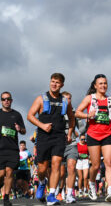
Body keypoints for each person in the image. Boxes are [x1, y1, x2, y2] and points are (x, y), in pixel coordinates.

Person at [27, 73, 75, 205]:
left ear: (62, 85)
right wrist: (42, 125)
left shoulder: (65, 101)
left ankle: (52, 195)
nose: (54, 84)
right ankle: (42, 183)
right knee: (42, 168)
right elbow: (30, 116)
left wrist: (69, 133)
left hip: (59, 136)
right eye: (53, 81)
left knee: (56, 165)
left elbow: (72, 118)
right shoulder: (41, 99)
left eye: (57, 82)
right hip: (43, 136)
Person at [75, 74, 111, 202]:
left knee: (109, 163)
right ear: (95, 85)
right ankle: (92, 184)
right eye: (100, 83)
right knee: (95, 165)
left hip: (108, 134)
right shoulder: (90, 98)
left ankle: (110, 191)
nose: (103, 85)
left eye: (105, 83)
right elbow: (77, 112)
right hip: (93, 135)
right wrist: (88, 115)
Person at [0, 91, 26, 206]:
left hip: (13, 149)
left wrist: (19, 129)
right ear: (1, 101)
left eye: (8, 99)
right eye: (4, 99)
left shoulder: (17, 114)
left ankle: (6, 198)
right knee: (0, 174)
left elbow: (24, 131)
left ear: (11, 100)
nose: (6, 101)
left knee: (9, 172)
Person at [56, 91, 86, 203]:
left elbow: (82, 130)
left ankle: (69, 194)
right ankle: (59, 191)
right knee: (61, 173)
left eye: (69, 99)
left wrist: (86, 119)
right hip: (58, 145)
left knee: (72, 167)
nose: (67, 101)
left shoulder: (74, 113)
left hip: (72, 144)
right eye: (65, 98)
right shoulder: (56, 112)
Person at [76, 134, 89, 198]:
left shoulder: (87, 144)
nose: (83, 140)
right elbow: (75, 153)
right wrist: (78, 154)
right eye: (82, 139)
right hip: (79, 161)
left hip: (86, 161)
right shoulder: (77, 145)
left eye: (84, 139)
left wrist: (89, 156)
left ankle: (85, 190)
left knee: (86, 177)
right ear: (79, 139)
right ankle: (80, 190)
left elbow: (89, 152)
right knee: (80, 177)